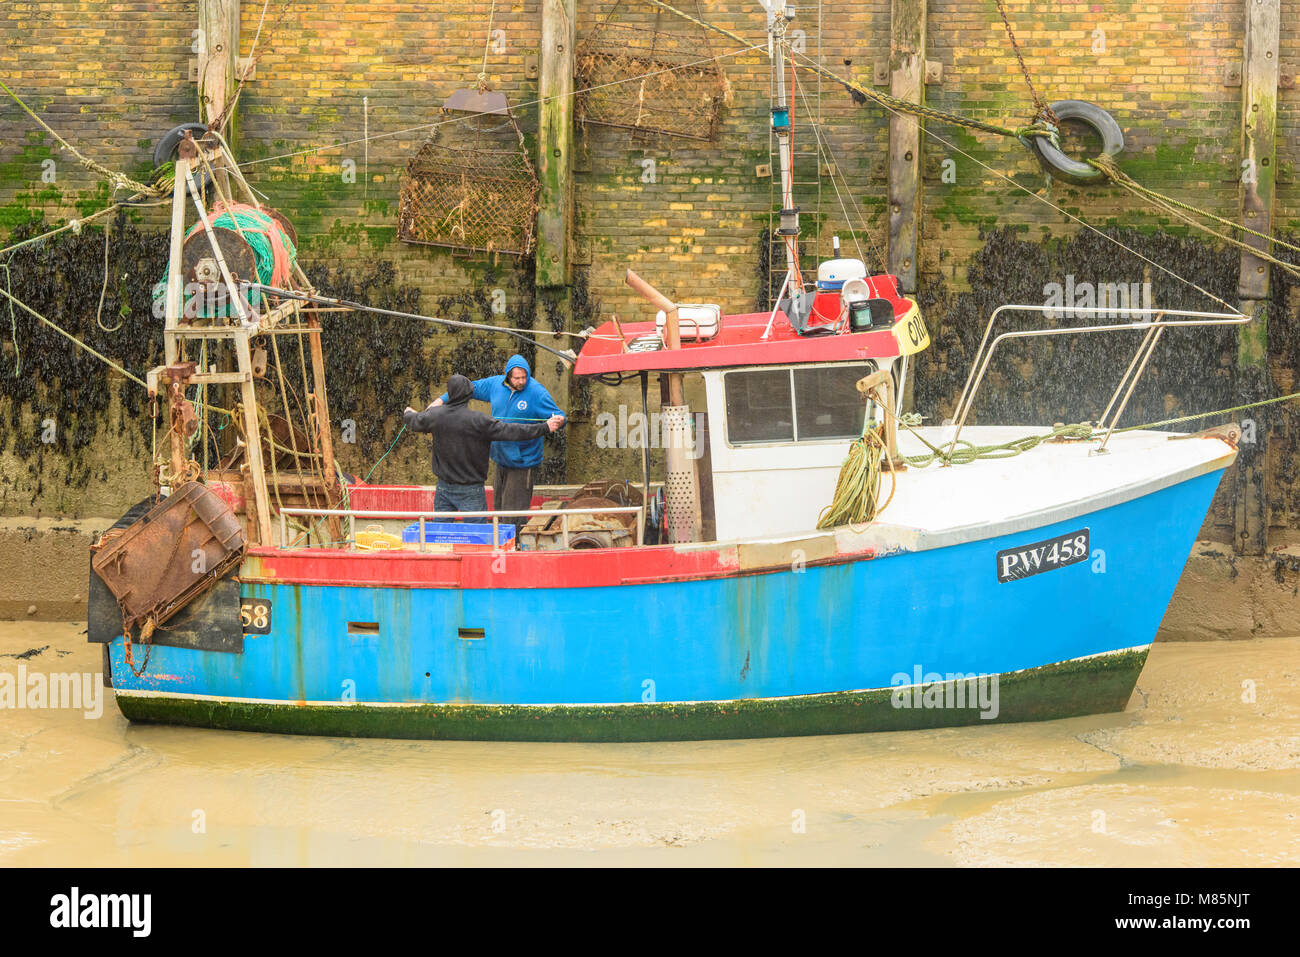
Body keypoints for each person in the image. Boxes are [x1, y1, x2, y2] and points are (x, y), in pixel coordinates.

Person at [404, 374, 564, 522]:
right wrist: (545, 427)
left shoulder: (435, 416)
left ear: (450, 394)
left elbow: (415, 420)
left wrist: (408, 413)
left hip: (443, 488)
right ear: (468, 395)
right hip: (471, 490)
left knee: (440, 533)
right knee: (478, 537)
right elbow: (513, 431)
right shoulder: (479, 420)